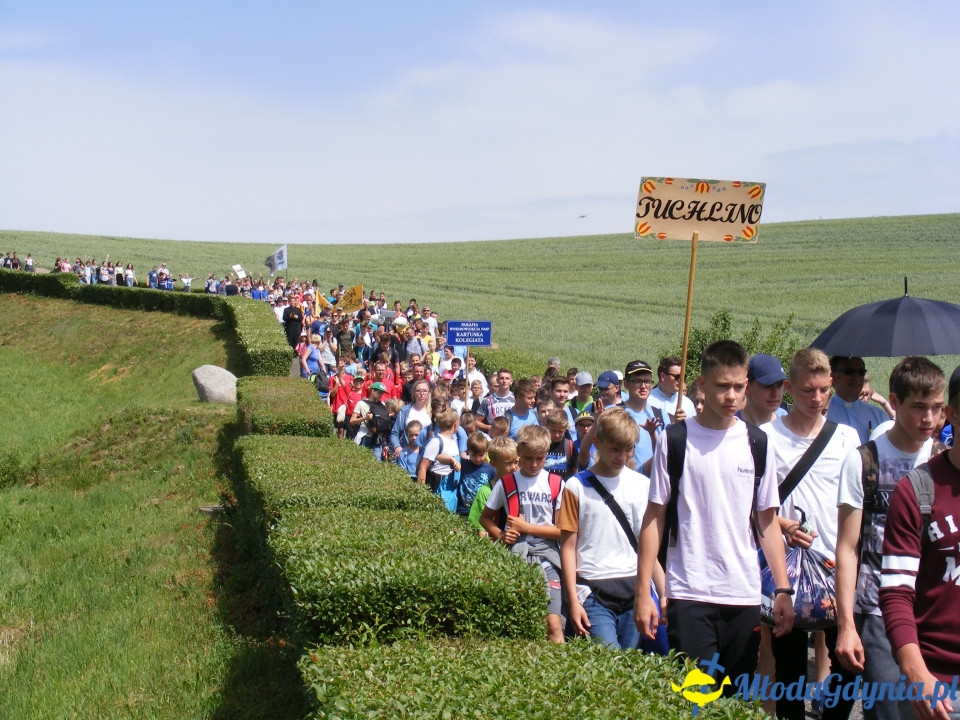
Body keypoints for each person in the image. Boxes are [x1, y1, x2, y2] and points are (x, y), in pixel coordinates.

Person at [634, 340, 794, 686]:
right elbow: (654, 518)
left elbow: (766, 520)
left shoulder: (758, 443)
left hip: (743, 591)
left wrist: (782, 589)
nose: (732, 396)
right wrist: (643, 591)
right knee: (696, 697)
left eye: (739, 387)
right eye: (722, 387)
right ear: (702, 386)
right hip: (689, 589)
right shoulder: (675, 439)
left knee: (734, 699)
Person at [835, 356, 944, 720]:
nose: (928, 418)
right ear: (893, 403)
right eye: (918, 407)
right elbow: (848, 549)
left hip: (933, 613)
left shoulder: (944, 460)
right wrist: (847, 625)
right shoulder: (865, 461)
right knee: (891, 712)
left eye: (936, 408)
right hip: (878, 611)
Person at [761, 348, 861, 720]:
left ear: (831, 385)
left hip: (839, 565)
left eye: (823, 390)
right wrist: (783, 527)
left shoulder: (847, 438)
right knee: (788, 669)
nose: (816, 399)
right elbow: (756, 504)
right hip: (786, 569)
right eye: (807, 391)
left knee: (848, 660)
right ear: (789, 388)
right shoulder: (766, 437)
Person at [879, 363, 960, 720]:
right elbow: (896, 593)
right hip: (938, 685)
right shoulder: (916, 491)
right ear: (952, 414)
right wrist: (916, 672)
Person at [558, 408, 667, 651]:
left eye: (628, 449)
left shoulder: (643, 485)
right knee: (609, 661)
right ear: (597, 443)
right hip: (593, 591)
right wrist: (572, 600)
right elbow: (568, 546)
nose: (622, 456)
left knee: (629, 667)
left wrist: (663, 591)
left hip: (635, 588)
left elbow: (646, 546)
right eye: (615, 449)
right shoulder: (575, 486)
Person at [480, 425, 565, 643]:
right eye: (528, 459)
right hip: (517, 554)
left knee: (553, 623)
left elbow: (562, 531)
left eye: (540, 458)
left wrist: (527, 528)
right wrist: (500, 535)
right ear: (519, 453)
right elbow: (485, 517)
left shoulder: (555, 483)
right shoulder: (506, 483)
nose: (534, 464)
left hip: (548, 557)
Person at [827, 356, 891, 444]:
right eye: (849, 371)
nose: (856, 376)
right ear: (833, 377)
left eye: (861, 372)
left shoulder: (879, 416)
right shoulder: (822, 415)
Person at [468, 436, 519, 533]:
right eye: (508, 463)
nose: (513, 467)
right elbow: (480, 528)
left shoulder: (521, 487)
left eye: (516, 462)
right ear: (493, 464)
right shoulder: (486, 491)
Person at [417, 408, 460, 492]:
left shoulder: (453, 441)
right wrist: (421, 493)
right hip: (437, 485)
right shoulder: (436, 442)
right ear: (455, 424)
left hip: (450, 485)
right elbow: (422, 467)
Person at [738, 353, 789, 426]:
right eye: (768, 386)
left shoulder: (789, 422)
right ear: (747, 388)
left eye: (779, 385)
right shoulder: (730, 427)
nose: (775, 393)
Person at [648, 356, 697, 427]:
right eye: (677, 377)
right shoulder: (647, 400)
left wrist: (684, 424)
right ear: (663, 376)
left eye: (683, 377)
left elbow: (694, 431)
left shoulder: (687, 404)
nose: (681, 380)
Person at [455, 433, 496, 516]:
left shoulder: (491, 470)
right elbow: (442, 457)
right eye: (474, 455)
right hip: (462, 510)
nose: (477, 459)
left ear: (487, 452)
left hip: (480, 511)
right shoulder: (463, 464)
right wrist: (452, 461)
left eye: (481, 455)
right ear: (468, 451)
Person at [476, 368, 515, 434]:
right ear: (497, 380)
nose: (504, 381)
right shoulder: (488, 400)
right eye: (502, 378)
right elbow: (477, 421)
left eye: (507, 378)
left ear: (511, 381)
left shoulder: (516, 399)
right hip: (494, 438)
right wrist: (489, 427)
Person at [543, 409, 577, 479]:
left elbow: (575, 471)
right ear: (547, 426)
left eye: (560, 431)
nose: (557, 435)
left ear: (565, 428)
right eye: (553, 431)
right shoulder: (542, 444)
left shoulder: (569, 445)